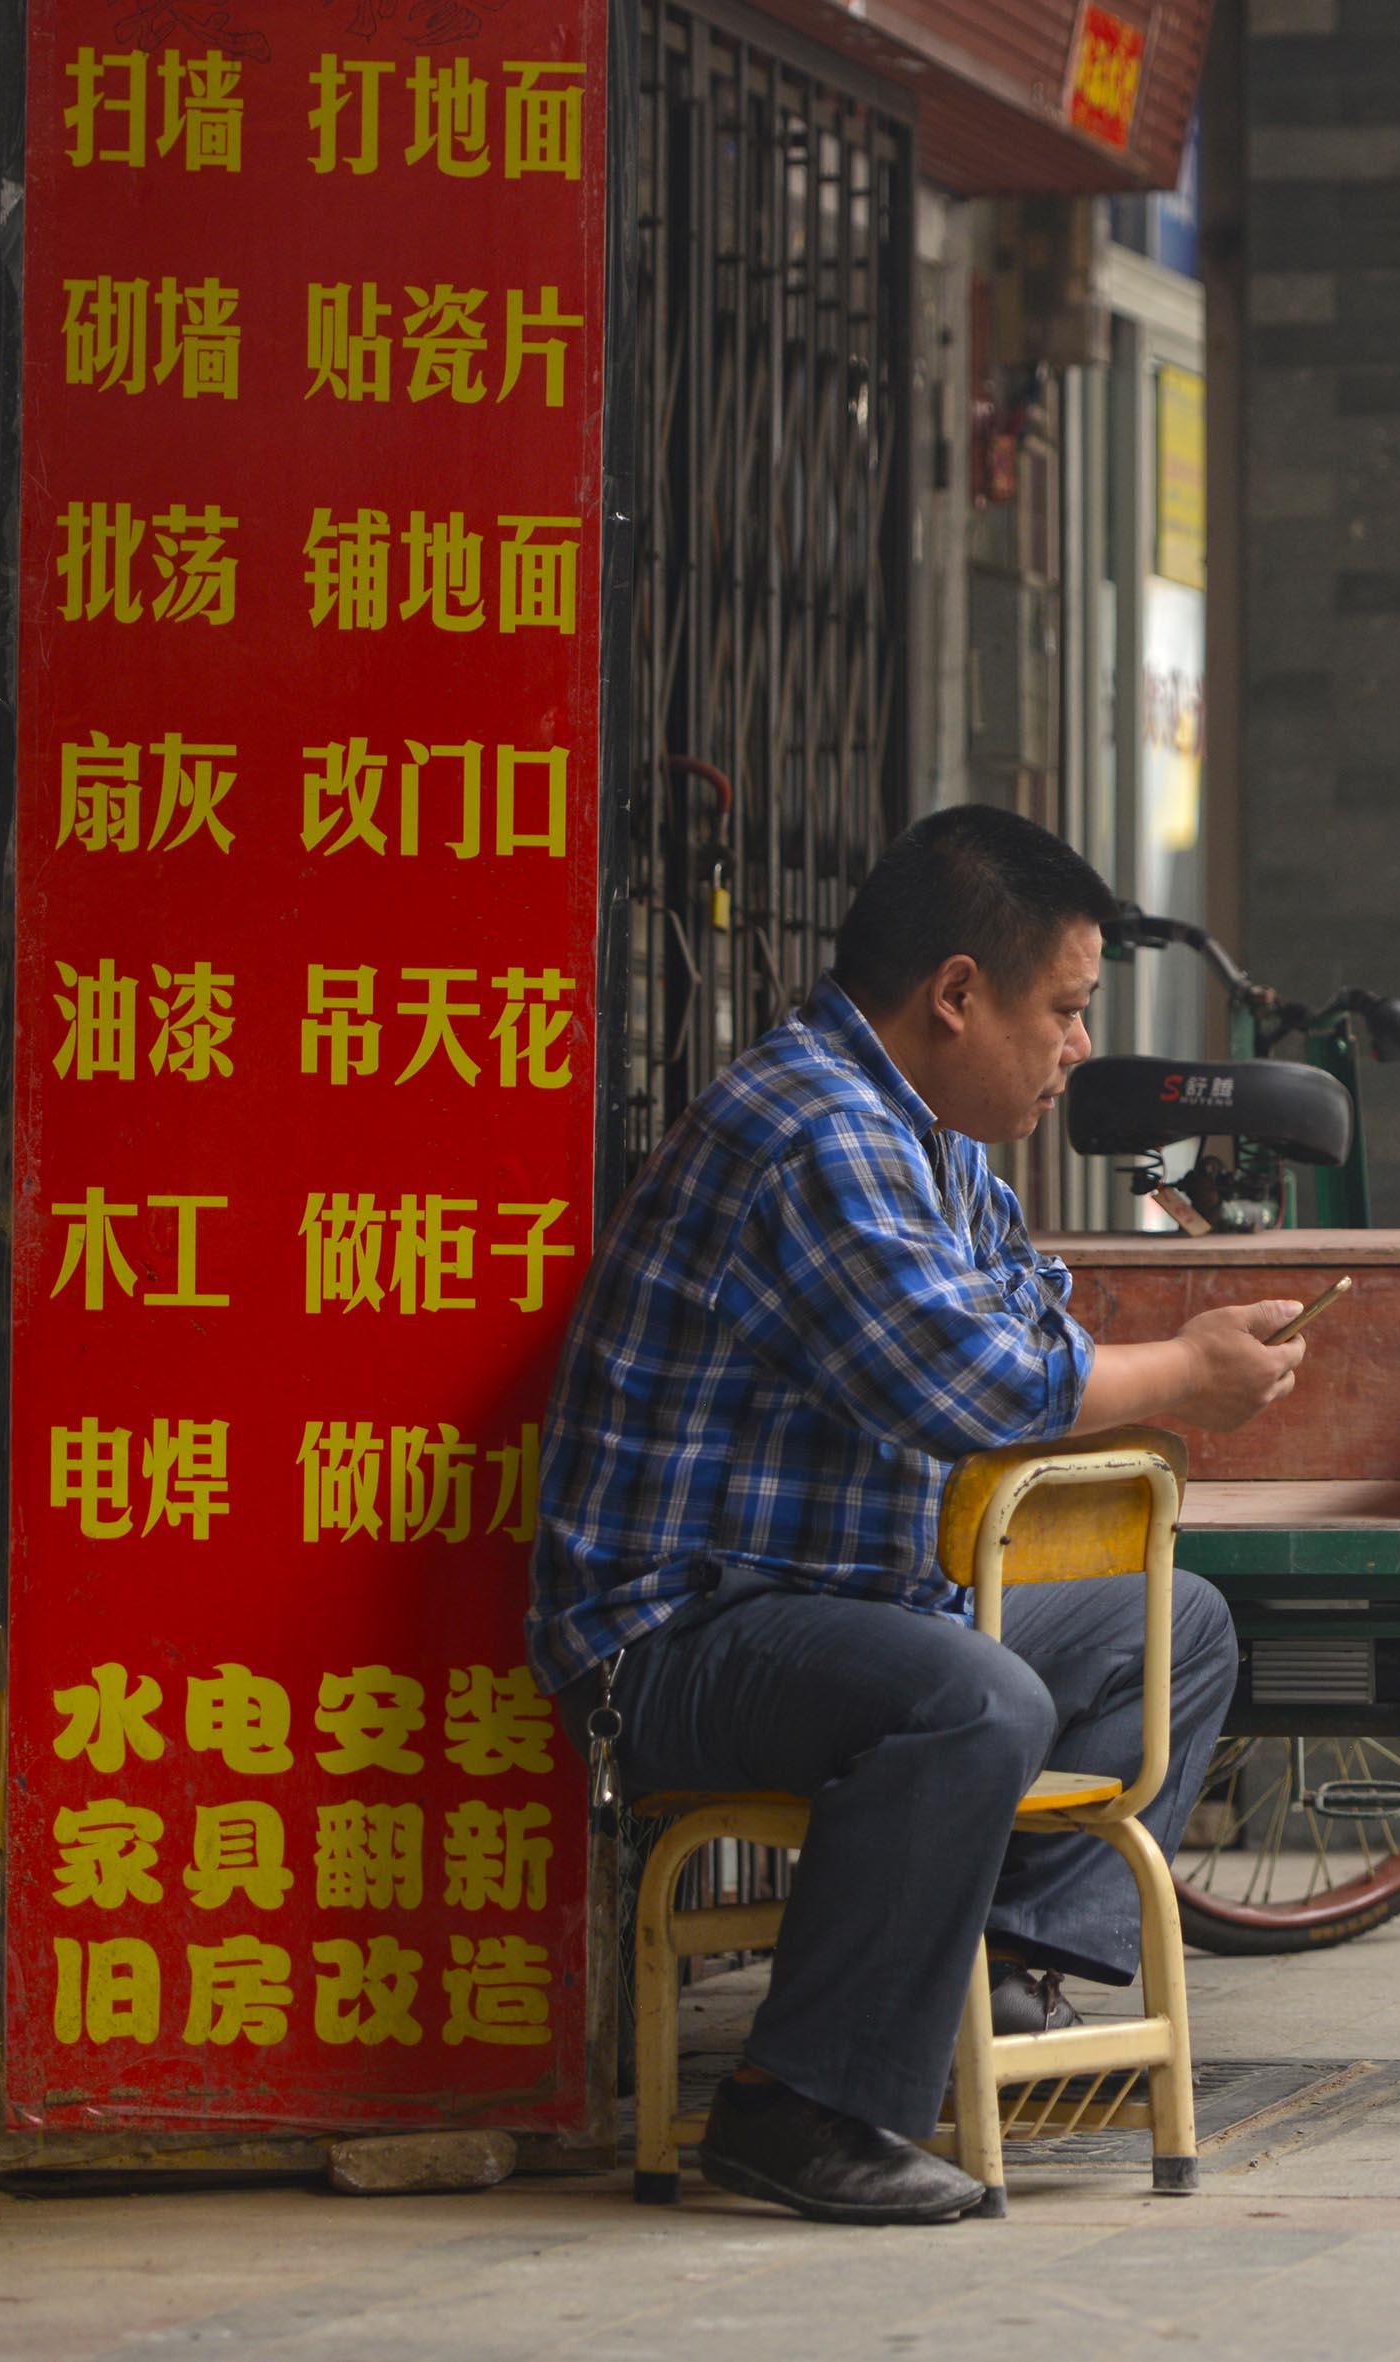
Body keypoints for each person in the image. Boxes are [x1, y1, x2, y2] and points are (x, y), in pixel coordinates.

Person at [531, 804, 1308, 2226]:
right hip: (678, 1635)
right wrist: (1185, 1375)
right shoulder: (813, 1127)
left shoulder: (936, 1145)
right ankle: (797, 2106)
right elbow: (969, 1377)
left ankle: (1001, 1975)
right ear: (956, 993)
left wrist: (1157, 1367)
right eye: (1065, 1010)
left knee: (1175, 1626)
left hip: (846, 1610)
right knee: (972, 1699)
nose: (1079, 1046)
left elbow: (1027, 1316)